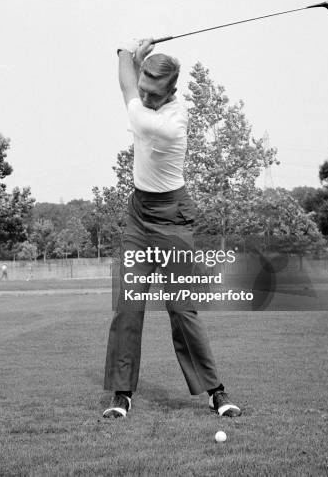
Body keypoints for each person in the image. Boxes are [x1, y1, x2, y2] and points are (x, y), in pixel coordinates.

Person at [103, 38, 241, 419]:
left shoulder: (171, 124)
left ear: (171, 92)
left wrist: (128, 53)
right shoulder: (148, 100)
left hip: (172, 219)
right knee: (128, 305)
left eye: (153, 94)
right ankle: (121, 394)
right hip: (138, 215)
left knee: (182, 309)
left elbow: (126, 84)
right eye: (144, 92)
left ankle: (216, 391)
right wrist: (131, 55)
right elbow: (132, 82)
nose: (144, 98)